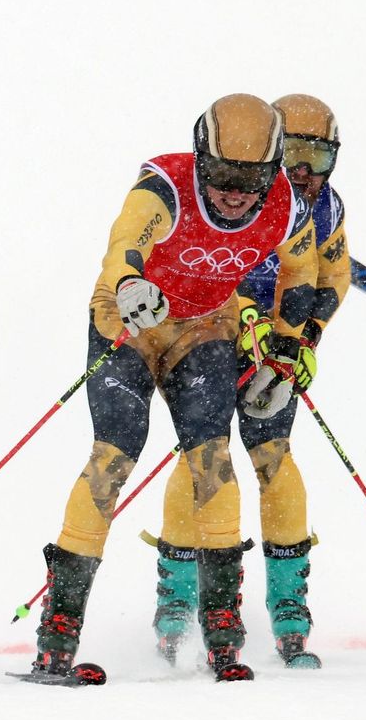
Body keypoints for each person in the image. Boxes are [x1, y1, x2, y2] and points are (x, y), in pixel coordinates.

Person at [31, 93, 318, 683]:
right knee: (115, 452)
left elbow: (302, 270)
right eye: (221, 177)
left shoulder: (284, 206)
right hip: (129, 319)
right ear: (199, 157)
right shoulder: (165, 184)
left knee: (211, 461)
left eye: (251, 182)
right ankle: (58, 628)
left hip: (205, 327)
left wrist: (286, 349)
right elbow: (123, 243)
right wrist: (131, 279)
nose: (235, 194)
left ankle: (221, 629)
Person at [151, 93, 350, 670]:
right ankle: (177, 601)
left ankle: (289, 609)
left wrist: (302, 341)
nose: (305, 172)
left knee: (273, 457)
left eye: (319, 157)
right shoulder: (238, 199)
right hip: (205, 334)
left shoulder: (326, 210)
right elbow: (207, 264)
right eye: (292, 154)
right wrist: (243, 314)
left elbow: (332, 276)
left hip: (274, 349)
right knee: (201, 460)